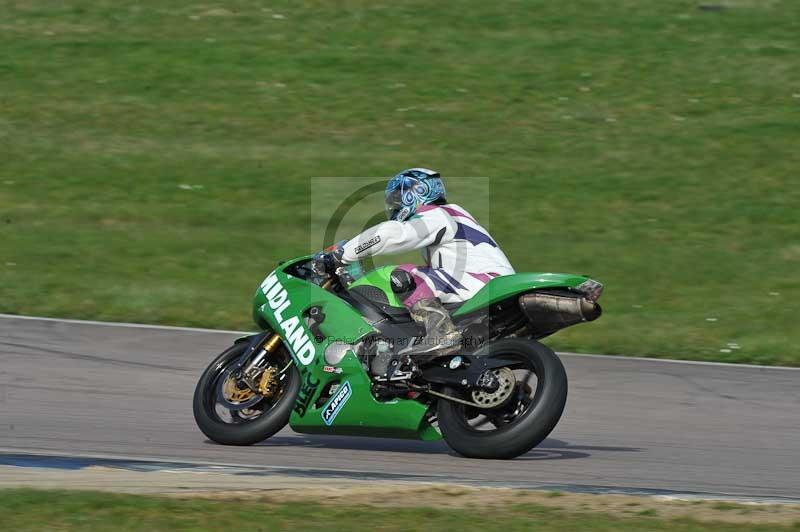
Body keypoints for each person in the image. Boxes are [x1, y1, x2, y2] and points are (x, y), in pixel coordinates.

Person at [317, 168, 514, 370]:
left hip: (482, 282)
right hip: (490, 283)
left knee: (402, 275)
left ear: (415, 193)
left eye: (397, 198)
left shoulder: (435, 214)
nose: (394, 205)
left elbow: (390, 234)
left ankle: (441, 333)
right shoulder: (456, 216)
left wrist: (341, 255)